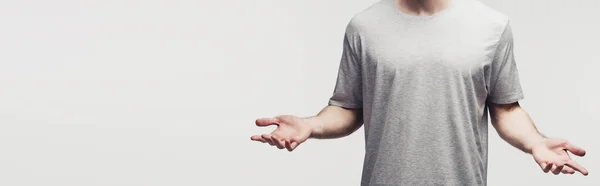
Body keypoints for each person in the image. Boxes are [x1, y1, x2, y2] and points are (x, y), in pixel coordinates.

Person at [250, 0, 589, 185]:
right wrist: (309, 125)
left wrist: (535, 142)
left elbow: (506, 109)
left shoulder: (491, 26)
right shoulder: (364, 27)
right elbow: (348, 107)